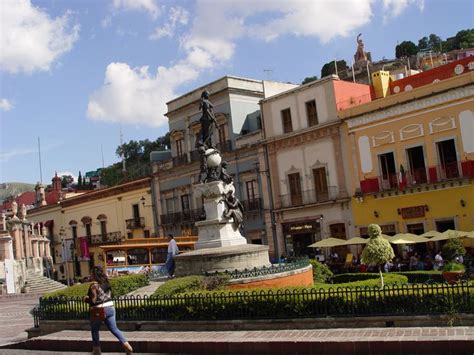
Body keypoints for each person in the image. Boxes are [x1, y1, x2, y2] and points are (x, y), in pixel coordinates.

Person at [84, 266, 133, 355]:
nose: (90, 275)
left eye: (91, 273)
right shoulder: (107, 283)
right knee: (114, 329)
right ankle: (127, 345)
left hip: (99, 310)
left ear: (95, 274)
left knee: (95, 330)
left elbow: (93, 300)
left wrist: (86, 299)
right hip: (110, 308)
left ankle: (96, 350)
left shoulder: (94, 285)